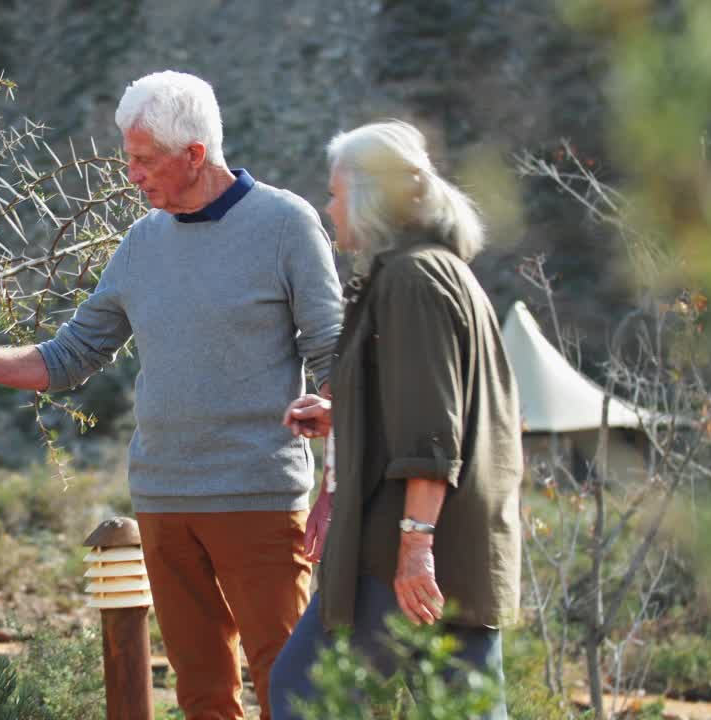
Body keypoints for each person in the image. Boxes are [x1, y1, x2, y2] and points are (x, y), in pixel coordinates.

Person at [0, 71, 343, 719]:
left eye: (144, 160)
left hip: (258, 496)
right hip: (164, 503)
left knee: (291, 687)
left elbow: (335, 357)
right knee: (200, 693)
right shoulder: (141, 243)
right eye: (128, 159)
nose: (132, 176)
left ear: (194, 154)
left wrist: (339, 479)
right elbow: (68, 358)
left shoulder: (286, 225)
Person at [267, 120, 522, 720]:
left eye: (335, 194)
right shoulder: (433, 272)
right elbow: (424, 402)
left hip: (401, 551)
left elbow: (435, 428)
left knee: (304, 692)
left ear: (369, 198)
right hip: (447, 547)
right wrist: (346, 415)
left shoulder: (412, 279)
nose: (328, 208)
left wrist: (416, 547)